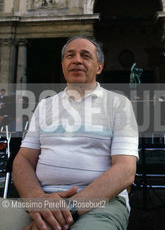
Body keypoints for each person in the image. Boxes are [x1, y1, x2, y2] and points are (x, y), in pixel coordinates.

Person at [1, 36, 138, 230]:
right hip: (41, 201)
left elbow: (125, 171)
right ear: (63, 64)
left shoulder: (119, 104)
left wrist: (65, 211)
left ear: (99, 67)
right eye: (70, 55)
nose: (77, 60)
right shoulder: (44, 105)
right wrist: (38, 200)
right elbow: (23, 160)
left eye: (85, 55)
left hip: (100, 204)